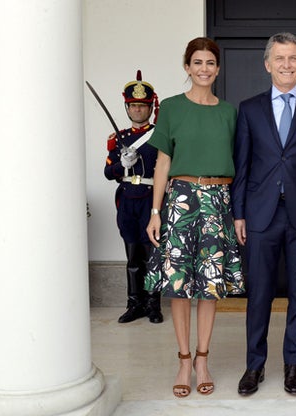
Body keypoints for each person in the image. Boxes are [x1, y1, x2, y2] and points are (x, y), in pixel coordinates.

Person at [231, 32, 296, 396]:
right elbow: (242, 166)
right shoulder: (249, 109)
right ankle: (254, 366)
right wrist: (238, 213)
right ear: (267, 64)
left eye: (293, 58)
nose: (287, 65)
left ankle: (293, 364)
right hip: (260, 215)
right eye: (280, 59)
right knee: (258, 293)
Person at [144, 37, 245, 398]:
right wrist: (155, 212)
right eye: (197, 62)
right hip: (180, 200)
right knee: (179, 287)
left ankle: (203, 357)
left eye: (210, 63)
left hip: (218, 199)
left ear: (218, 68)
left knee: (210, 287)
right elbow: (163, 163)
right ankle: (184, 359)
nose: (204, 68)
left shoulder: (230, 112)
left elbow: (242, 163)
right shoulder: (170, 108)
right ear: (187, 67)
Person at [103, 70, 163, 324]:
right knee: (132, 257)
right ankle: (134, 304)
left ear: (151, 108)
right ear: (127, 108)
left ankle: (153, 305)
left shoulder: (159, 135)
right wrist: (124, 164)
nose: (138, 110)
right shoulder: (118, 139)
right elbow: (108, 172)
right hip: (128, 199)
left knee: (152, 256)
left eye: (143, 106)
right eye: (134, 106)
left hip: (150, 198)